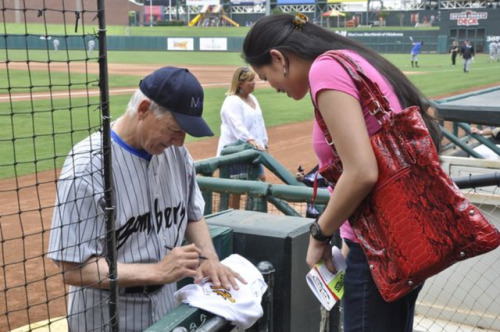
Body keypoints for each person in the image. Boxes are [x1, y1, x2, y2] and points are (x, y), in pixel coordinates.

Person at [242, 13, 441, 332]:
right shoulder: (351, 58)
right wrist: (349, 237)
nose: (272, 86)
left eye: (266, 77)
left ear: (279, 58)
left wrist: (320, 234)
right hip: (397, 238)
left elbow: (361, 171)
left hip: (381, 247)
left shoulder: (326, 69)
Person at [48, 66, 245, 332]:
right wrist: (158, 272)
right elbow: (72, 268)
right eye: (174, 129)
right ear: (143, 110)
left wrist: (209, 257)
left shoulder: (178, 155)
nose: (179, 141)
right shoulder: (86, 167)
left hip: (166, 307)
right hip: (106, 316)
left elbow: (192, 214)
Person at [216, 67, 268, 209]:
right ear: (240, 83)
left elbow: (259, 122)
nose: (253, 83)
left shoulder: (254, 99)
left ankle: (251, 216)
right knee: (235, 191)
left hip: (252, 151)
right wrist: (250, 140)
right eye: (250, 80)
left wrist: (264, 142)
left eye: (253, 80)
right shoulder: (232, 101)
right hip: (234, 153)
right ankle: (233, 219)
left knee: (260, 181)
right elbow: (237, 125)